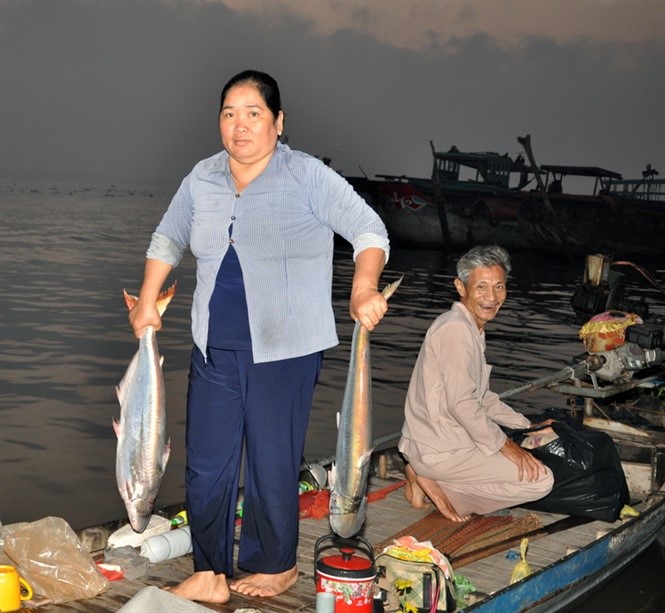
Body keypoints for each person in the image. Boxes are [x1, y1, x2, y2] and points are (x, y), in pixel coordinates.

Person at [128, 69, 390, 604]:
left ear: (278, 121)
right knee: (206, 465)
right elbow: (169, 235)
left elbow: (369, 230)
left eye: (253, 113)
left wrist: (364, 288)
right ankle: (209, 570)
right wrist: (147, 301)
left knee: (272, 461)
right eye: (229, 113)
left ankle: (274, 565)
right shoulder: (202, 176)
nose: (239, 125)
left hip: (285, 349)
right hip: (213, 346)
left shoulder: (306, 176)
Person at [398, 244, 553, 522]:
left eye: (499, 287)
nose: (491, 297)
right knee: (540, 480)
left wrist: (528, 425)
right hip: (440, 449)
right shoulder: (456, 330)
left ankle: (428, 478)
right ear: (461, 287)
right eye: (481, 287)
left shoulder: (470, 327)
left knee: (533, 450)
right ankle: (436, 483)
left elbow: (482, 398)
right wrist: (508, 447)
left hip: (447, 442)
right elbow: (464, 405)